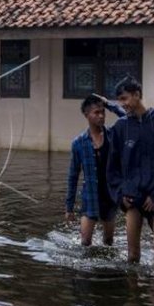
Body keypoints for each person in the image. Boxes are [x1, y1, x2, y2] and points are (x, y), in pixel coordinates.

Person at [107, 76, 154, 268]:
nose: (122, 104)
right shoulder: (121, 128)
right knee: (132, 256)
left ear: (137, 95)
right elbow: (112, 168)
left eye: (124, 99)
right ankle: (134, 298)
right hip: (133, 198)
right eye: (119, 100)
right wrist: (120, 194)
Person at [65, 93, 126, 246]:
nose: (101, 116)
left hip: (110, 196)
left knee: (108, 241)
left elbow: (129, 119)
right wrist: (69, 208)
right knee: (85, 242)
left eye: (102, 112)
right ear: (87, 115)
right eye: (96, 113)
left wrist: (108, 104)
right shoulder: (78, 143)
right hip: (90, 197)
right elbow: (73, 177)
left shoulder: (112, 135)